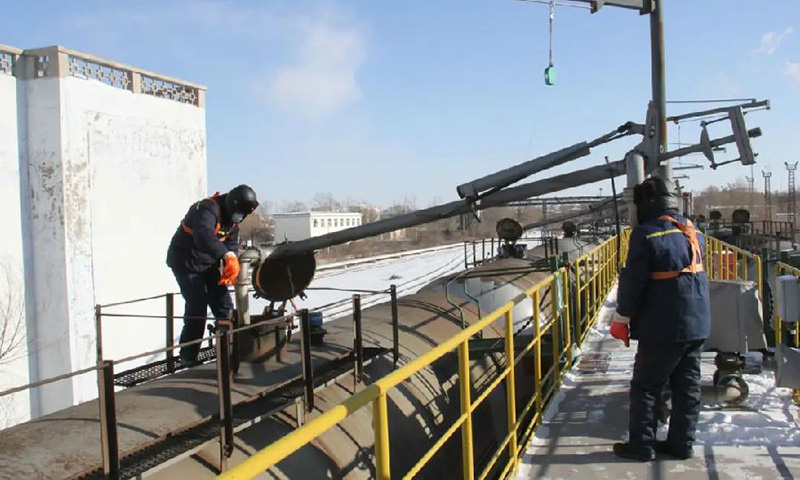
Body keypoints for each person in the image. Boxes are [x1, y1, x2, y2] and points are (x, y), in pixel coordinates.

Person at [610, 177, 710, 462]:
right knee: (687, 388)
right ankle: (681, 444)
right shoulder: (693, 232)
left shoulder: (646, 233)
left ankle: (641, 445)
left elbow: (634, 282)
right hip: (698, 324)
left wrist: (622, 317)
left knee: (646, 385)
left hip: (664, 326)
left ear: (646, 203)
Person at [166, 185, 259, 365]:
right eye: (239, 213)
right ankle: (188, 355)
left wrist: (230, 265)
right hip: (187, 263)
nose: (240, 217)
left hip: (208, 263)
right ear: (232, 204)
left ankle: (230, 349)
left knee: (224, 305)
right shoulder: (207, 210)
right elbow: (203, 236)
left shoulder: (232, 222)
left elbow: (231, 244)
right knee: (197, 305)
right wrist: (225, 255)